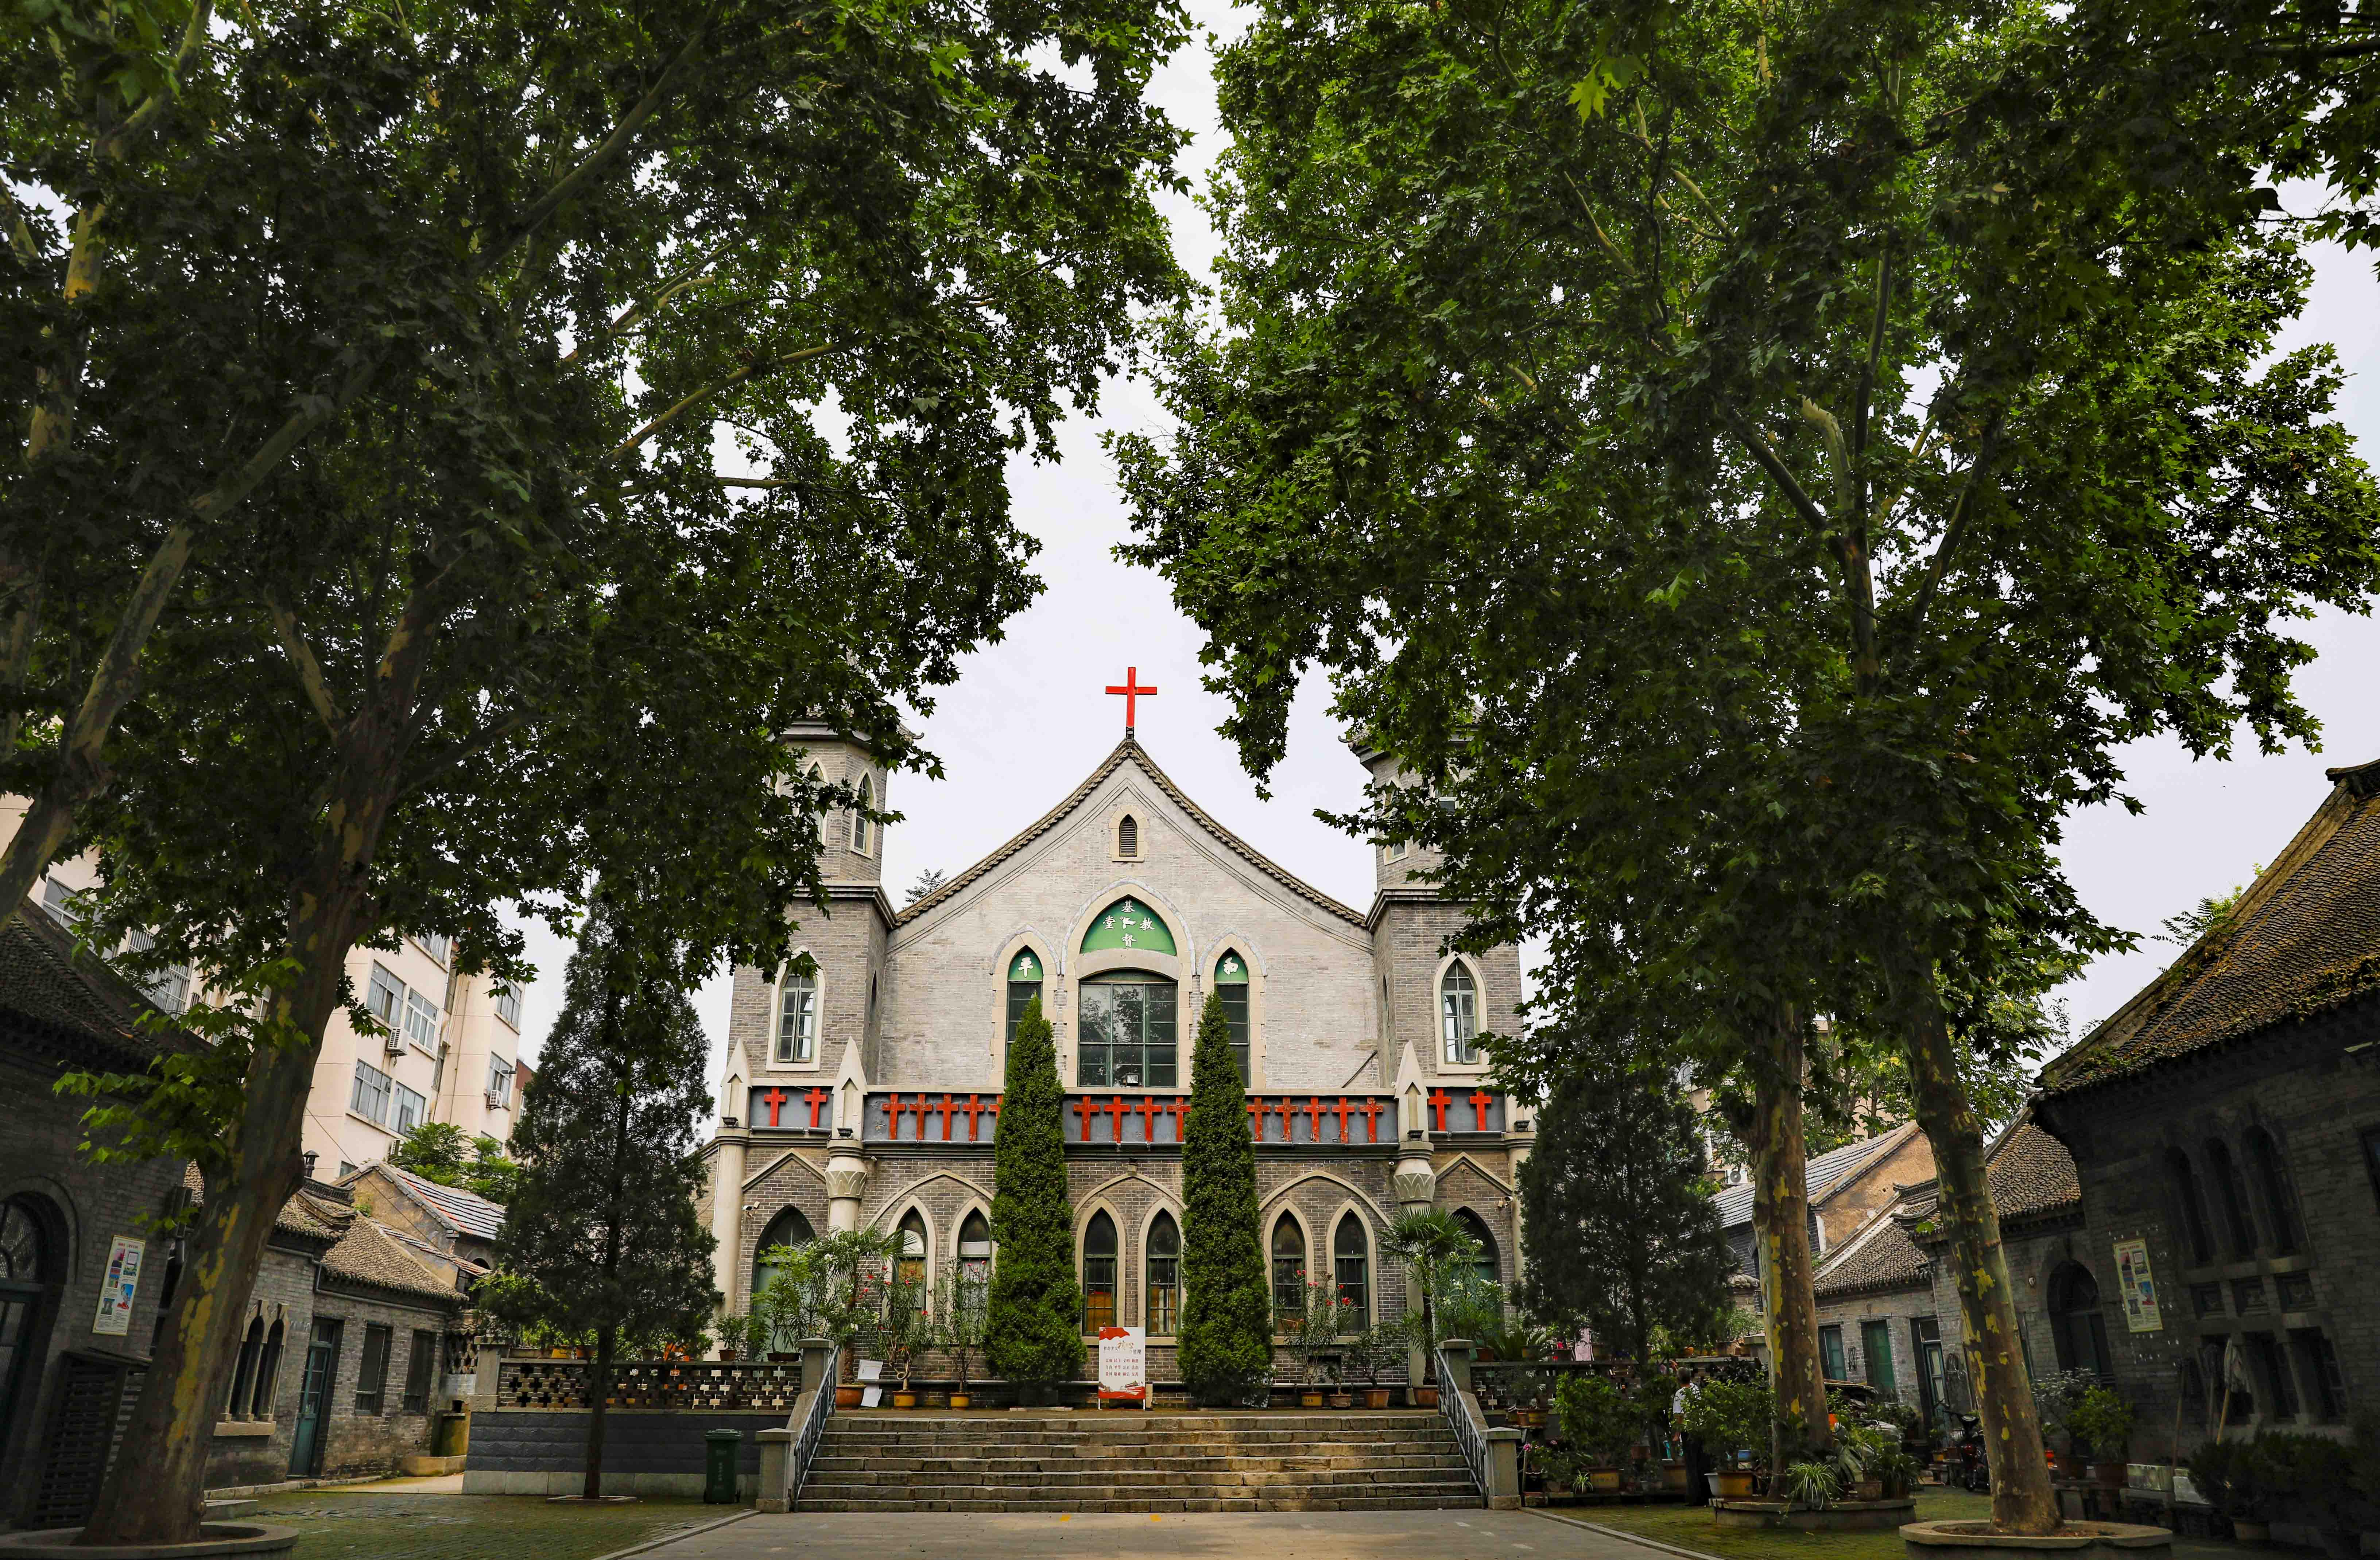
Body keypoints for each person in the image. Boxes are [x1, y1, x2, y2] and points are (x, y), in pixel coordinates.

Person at [1674, 1368, 1711, 1499]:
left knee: (1691, 1464)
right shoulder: (1696, 1389)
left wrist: (1677, 1434)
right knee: (1701, 1462)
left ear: (1678, 1380)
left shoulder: (1680, 1394)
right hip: (1700, 1429)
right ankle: (1705, 1495)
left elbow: (1680, 1417)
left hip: (1688, 1430)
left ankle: (1694, 1497)